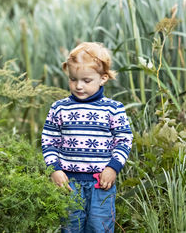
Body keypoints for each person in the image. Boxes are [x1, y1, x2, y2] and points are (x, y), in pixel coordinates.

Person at [41, 42, 133, 232]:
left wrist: (113, 168)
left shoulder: (113, 109)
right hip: (68, 182)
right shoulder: (59, 108)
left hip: (101, 182)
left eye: (86, 80)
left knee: (99, 227)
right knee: (70, 227)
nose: (79, 86)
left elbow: (124, 140)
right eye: (73, 79)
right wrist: (54, 170)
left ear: (103, 78)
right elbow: (49, 141)